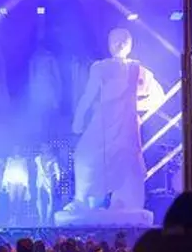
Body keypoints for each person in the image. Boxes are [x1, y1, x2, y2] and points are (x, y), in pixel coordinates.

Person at [64, 28, 165, 216]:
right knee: (84, 156)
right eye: (116, 40)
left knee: (127, 162)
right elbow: (88, 95)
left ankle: (124, 202)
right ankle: (81, 200)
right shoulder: (101, 67)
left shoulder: (137, 69)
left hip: (126, 124)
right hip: (103, 121)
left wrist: (135, 106)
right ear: (109, 44)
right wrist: (79, 118)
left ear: (130, 44)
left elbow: (158, 96)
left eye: (124, 40)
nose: (120, 43)